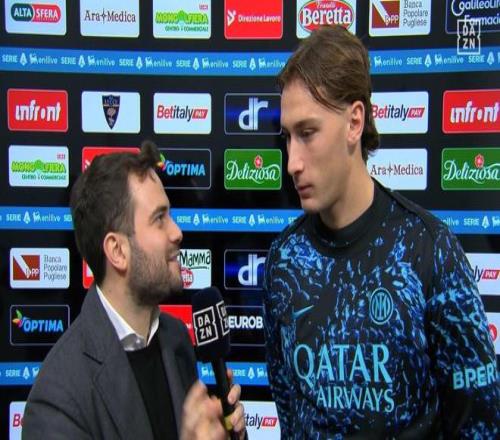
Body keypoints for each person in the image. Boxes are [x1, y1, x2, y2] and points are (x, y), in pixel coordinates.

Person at [263, 25, 499, 439]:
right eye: (288, 137)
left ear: (354, 121)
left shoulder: (429, 249)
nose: (292, 162)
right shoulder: (284, 262)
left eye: (308, 133)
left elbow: (479, 422)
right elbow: (289, 414)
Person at [22, 141, 246, 440]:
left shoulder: (177, 338)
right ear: (117, 251)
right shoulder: (59, 398)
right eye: (159, 219)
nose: (177, 232)